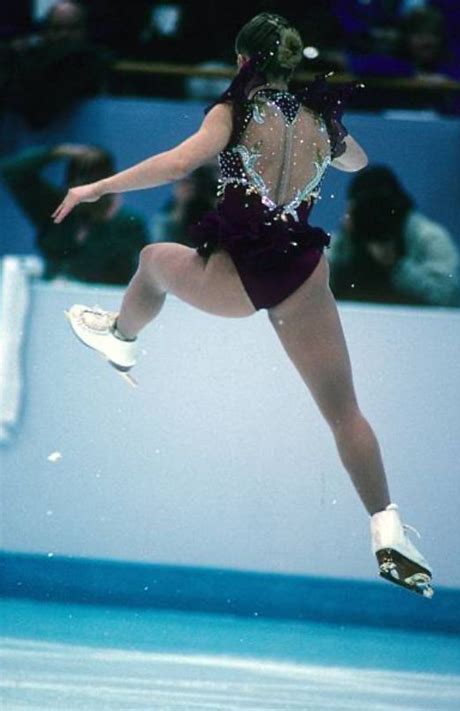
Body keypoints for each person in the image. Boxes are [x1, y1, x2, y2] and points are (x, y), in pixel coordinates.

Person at [53, 13, 433, 598]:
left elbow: (181, 163)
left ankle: (121, 337)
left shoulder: (233, 112)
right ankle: (387, 528)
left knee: (154, 259)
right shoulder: (315, 120)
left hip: (238, 276)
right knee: (343, 413)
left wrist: (97, 187)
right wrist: (327, 131)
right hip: (301, 274)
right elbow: (358, 162)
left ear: (243, 62)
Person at [2, 144, 149, 284]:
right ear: (68, 184)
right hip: (52, 296)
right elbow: (11, 170)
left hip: (105, 302)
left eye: (94, 184)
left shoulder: (128, 222)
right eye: (80, 181)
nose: (86, 192)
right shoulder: (54, 208)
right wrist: (58, 152)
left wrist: (107, 220)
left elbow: (144, 271)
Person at [329, 165, 460, 307]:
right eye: (366, 211)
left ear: (399, 207)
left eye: (382, 209)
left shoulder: (427, 236)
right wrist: (345, 245)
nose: (375, 218)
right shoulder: (344, 240)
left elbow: (450, 297)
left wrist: (398, 266)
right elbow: (312, 286)